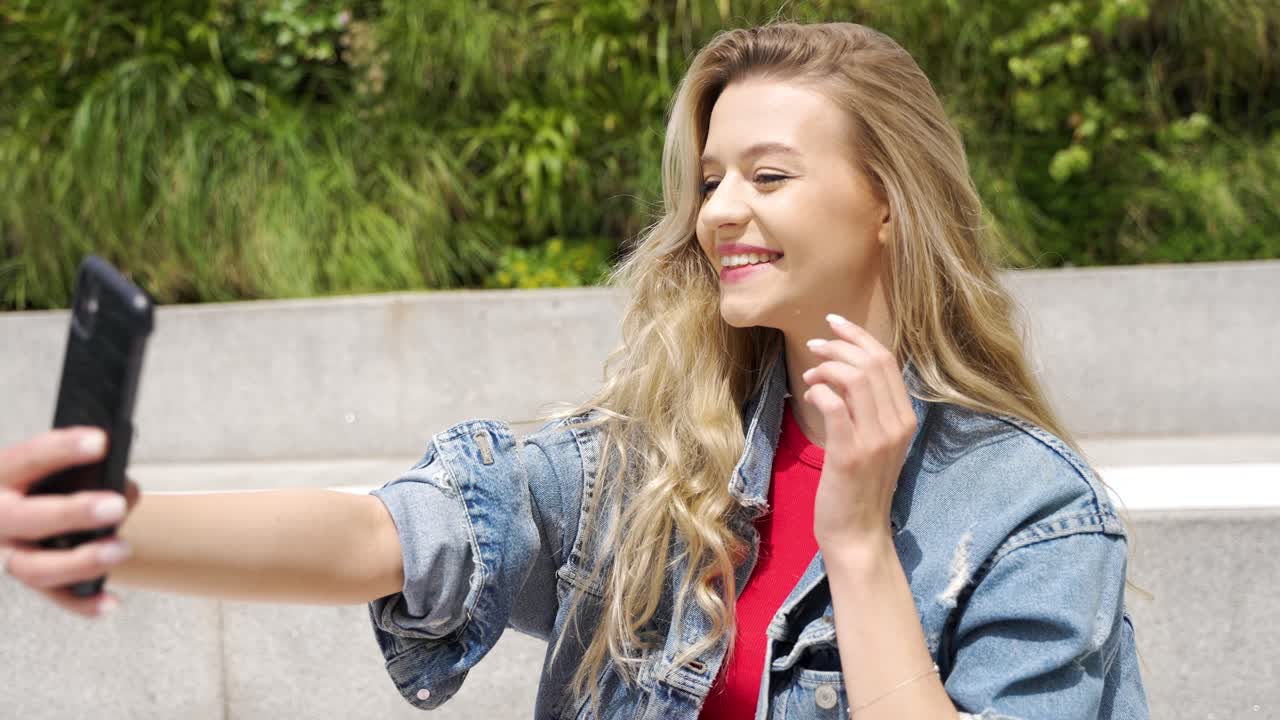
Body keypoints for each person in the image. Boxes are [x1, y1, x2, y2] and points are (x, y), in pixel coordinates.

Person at [0, 21, 1147, 719]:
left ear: (887, 202)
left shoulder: (1028, 513)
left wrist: (855, 543)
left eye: (768, 175)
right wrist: (118, 528)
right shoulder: (657, 461)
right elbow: (392, 537)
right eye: (708, 180)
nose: (719, 212)